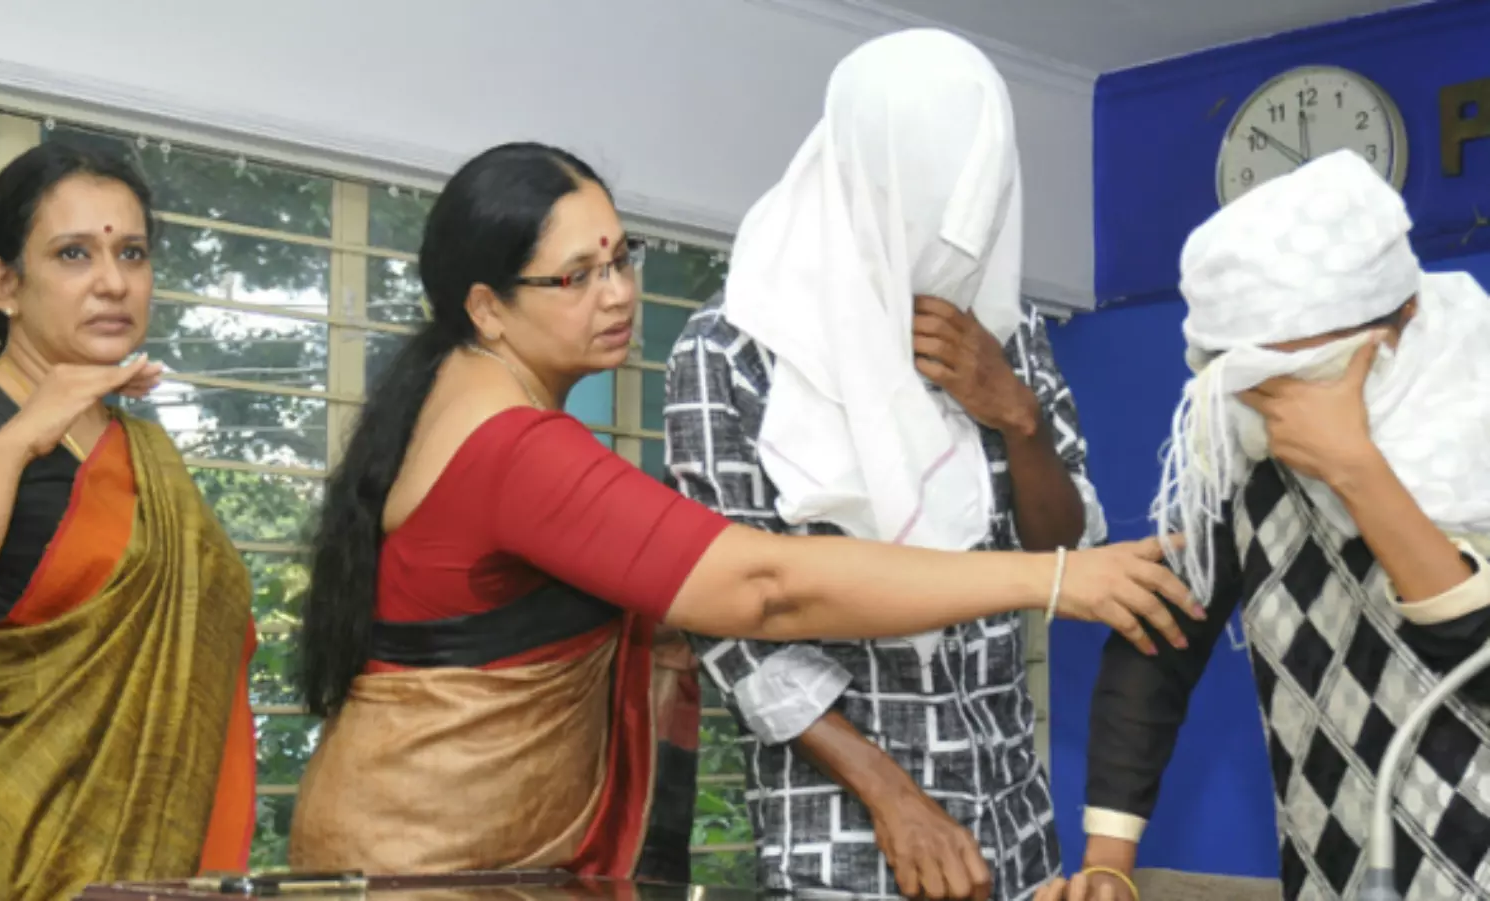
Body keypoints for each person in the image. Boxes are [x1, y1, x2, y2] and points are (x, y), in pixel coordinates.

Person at [291, 141, 1201, 880]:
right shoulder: (518, 447)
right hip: (432, 859)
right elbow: (763, 585)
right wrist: (1051, 579)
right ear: (487, 308)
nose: (618, 292)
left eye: (621, 257)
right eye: (576, 277)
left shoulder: (460, 401)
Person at [664, 29, 1106, 901]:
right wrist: (894, 795)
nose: (952, 231)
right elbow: (730, 625)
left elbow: (1065, 552)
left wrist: (1017, 415)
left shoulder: (1007, 332)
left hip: (1014, 820)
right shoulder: (734, 348)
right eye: (927, 197)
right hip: (846, 834)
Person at [1038, 150, 1490, 901]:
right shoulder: (1247, 447)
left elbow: (1475, 662)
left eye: (1309, 375)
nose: (1278, 409)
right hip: (1335, 866)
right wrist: (1107, 863)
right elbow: (1158, 639)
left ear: (1401, 319)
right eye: (1251, 381)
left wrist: (1356, 468)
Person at [0, 144, 257, 900]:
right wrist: (17, 439)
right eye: (73, 253)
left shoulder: (145, 451)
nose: (113, 282)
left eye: (131, 253)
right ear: (4, 284)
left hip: (146, 865)